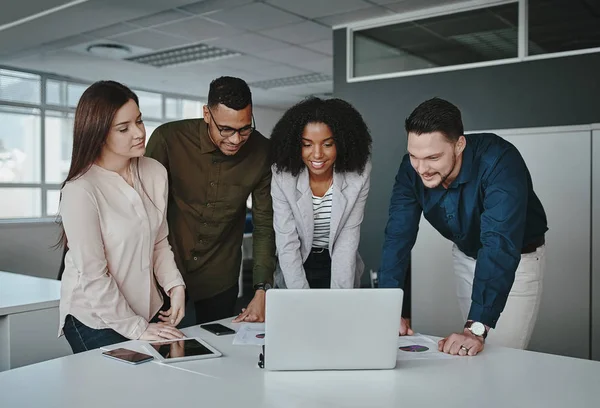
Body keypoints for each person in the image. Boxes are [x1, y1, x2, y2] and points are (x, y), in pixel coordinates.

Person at [378, 97, 548, 356]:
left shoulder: (500, 161)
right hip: (465, 254)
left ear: (459, 145)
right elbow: (397, 237)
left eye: (433, 157)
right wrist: (387, 309)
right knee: (473, 357)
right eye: (414, 156)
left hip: (516, 260)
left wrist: (476, 328)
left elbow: (499, 242)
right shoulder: (410, 169)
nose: (421, 169)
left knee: (503, 356)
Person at [58, 81, 186, 353]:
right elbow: (94, 275)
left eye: (139, 121)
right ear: (99, 133)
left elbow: (159, 243)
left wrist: (175, 287)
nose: (139, 133)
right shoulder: (80, 190)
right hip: (95, 320)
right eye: (124, 128)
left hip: (145, 309)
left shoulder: (154, 172)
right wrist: (137, 328)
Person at [145, 76, 276, 324]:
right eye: (225, 129)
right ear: (207, 114)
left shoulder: (262, 152)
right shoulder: (168, 140)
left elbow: (264, 225)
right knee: (164, 354)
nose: (236, 139)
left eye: (245, 128)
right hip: (164, 277)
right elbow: (144, 215)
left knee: (218, 353)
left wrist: (262, 288)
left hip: (219, 280)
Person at [269, 97, 372, 289]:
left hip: (339, 263)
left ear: (341, 143)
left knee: (338, 315)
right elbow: (287, 242)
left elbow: (347, 240)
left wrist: (339, 300)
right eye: (307, 144)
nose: (317, 154)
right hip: (297, 262)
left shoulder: (358, 174)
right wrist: (301, 299)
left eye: (327, 144)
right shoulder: (283, 176)